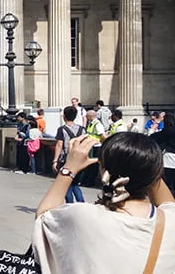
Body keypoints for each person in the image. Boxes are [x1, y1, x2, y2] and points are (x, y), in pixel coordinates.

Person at [32, 132, 175, 273]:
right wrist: (144, 162)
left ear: (103, 170)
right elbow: (168, 203)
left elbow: (43, 216)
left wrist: (69, 168)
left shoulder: (83, 217)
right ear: (155, 173)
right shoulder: (170, 220)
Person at [52, 106, 86, 203]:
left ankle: (70, 204)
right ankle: (81, 203)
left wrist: (55, 160)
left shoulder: (62, 129)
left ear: (64, 116)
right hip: (79, 159)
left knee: (66, 184)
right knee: (75, 183)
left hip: (66, 159)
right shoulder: (82, 129)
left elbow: (59, 145)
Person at [151, 112, 175, 195]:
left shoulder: (165, 132)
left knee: (168, 186)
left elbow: (151, 139)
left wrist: (156, 123)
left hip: (168, 161)